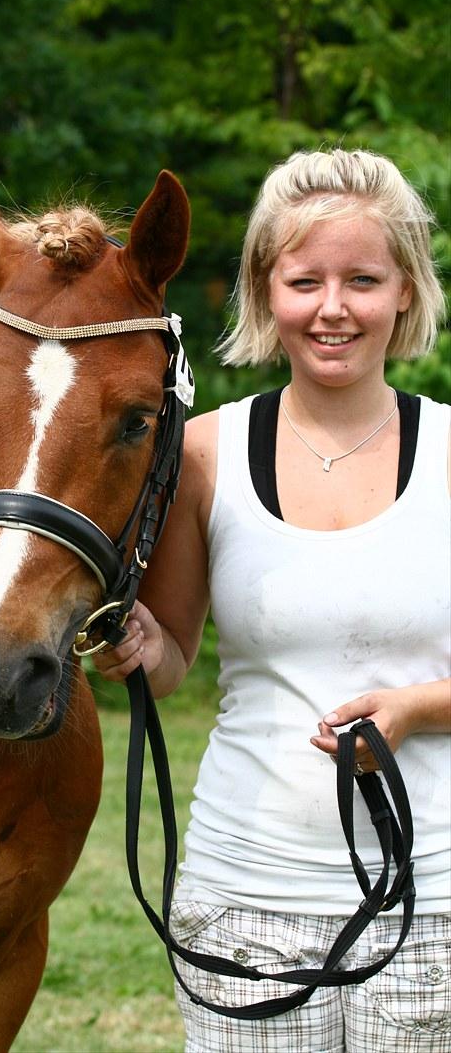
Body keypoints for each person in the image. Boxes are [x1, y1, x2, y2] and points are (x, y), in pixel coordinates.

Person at [94, 148, 450, 1052]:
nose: (334, 308)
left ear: (404, 291)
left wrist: (415, 709)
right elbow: (172, 659)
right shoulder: (205, 453)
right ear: (265, 291)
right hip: (244, 904)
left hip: (435, 913)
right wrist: (132, 639)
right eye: (305, 281)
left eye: (363, 279)